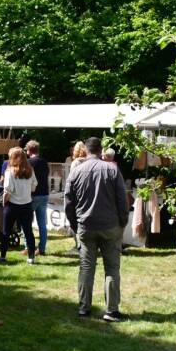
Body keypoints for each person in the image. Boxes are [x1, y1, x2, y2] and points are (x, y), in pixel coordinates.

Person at [64, 137, 129, 322]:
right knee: (112, 268)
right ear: (101, 150)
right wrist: (122, 222)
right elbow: (122, 200)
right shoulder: (112, 169)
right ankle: (112, 310)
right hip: (110, 226)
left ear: (85, 150)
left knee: (86, 268)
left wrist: (75, 225)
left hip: (86, 226)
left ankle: (84, 308)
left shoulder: (76, 171)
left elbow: (68, 202)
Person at [0, 147, 38, 264]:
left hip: (12, 205)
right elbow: (34, 187)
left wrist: (3, 202)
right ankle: (31, 257)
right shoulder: (30, 170)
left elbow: (8, 191)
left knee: (6, 231)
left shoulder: (9, 172)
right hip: (26, 204)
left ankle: (3, 256)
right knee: (28, 232)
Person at [21, 140, 49, 257]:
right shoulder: (44, 162)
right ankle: (42, 248)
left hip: (32, 195)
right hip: (44, 194)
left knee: (26, 222)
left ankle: (27, 247)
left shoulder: (28, 163)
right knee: (42, 224)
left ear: (29, 150)